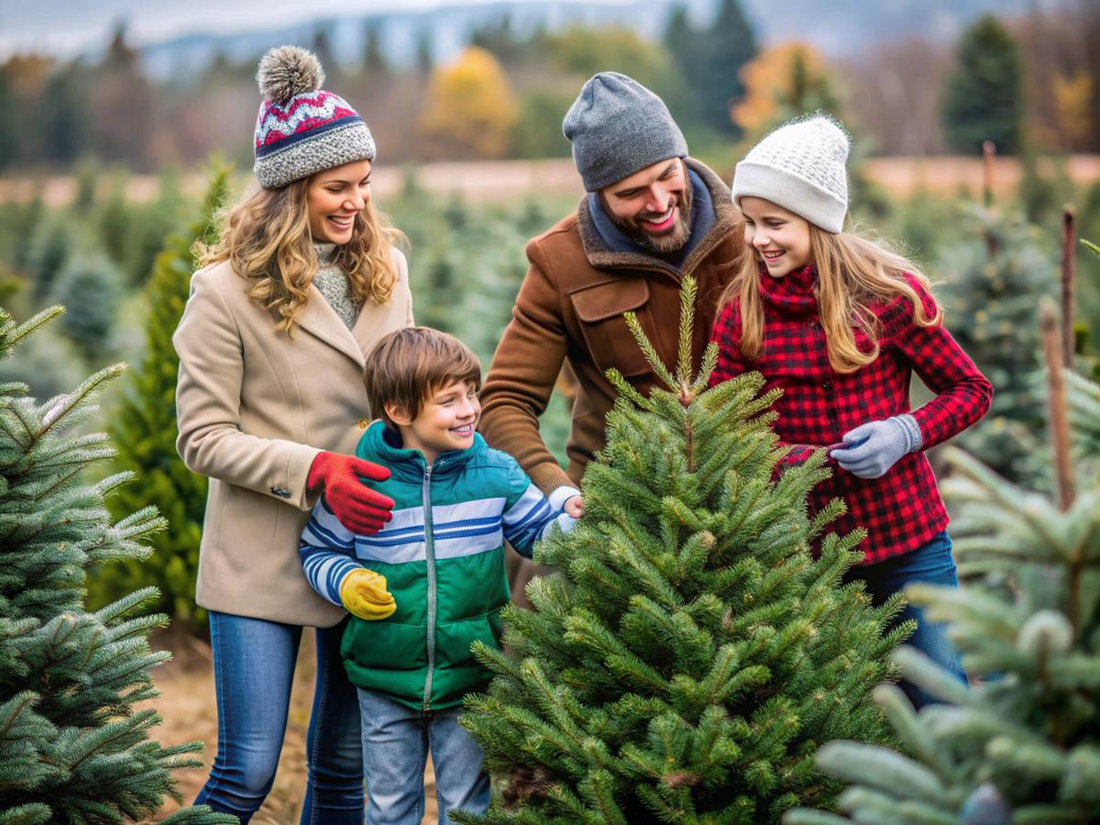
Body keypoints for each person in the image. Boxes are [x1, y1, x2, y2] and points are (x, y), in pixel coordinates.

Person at [173, 45, 413, 820]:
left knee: (343, 767)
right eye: (337, 188)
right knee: (244, 772)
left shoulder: (389, 271)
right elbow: (201, 436)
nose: (357, 204)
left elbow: (399, 397)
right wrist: (314, 468)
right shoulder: (222, 292)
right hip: (261, 558)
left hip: (364, 546)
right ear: (288, 191)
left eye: (365, 186)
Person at [709, 114, 993, 708]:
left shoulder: (890, 296)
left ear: (819, 221)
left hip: (906, 536)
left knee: (941, 696)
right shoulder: (742, 311)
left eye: (776, 223)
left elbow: (970, 389)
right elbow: (719, 429)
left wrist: (905, 431)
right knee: (811, 720)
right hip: (797, 548)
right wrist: (791, 461)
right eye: (751, 223)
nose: (760, 238)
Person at [298, 326, 582, 824]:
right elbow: (318, 550)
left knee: (465, 807)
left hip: (470, 675)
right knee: (388, 807)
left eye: (471, 394)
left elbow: (539, 535)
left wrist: (575, 517)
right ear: (400, 412)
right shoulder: (362, 480)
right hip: (383, 677)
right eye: (450, 401)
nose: (470, 409)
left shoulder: (496, 473)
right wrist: (345, 581)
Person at [478, 72, 743, 599]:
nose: (660, 201)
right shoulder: (559, 260)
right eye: (630, 192)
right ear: (598, 192)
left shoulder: (752, 230)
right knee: (533, 640)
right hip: (615, 500)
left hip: (752, 495)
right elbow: (504, 401)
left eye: (668, 175)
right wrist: (556, 491)